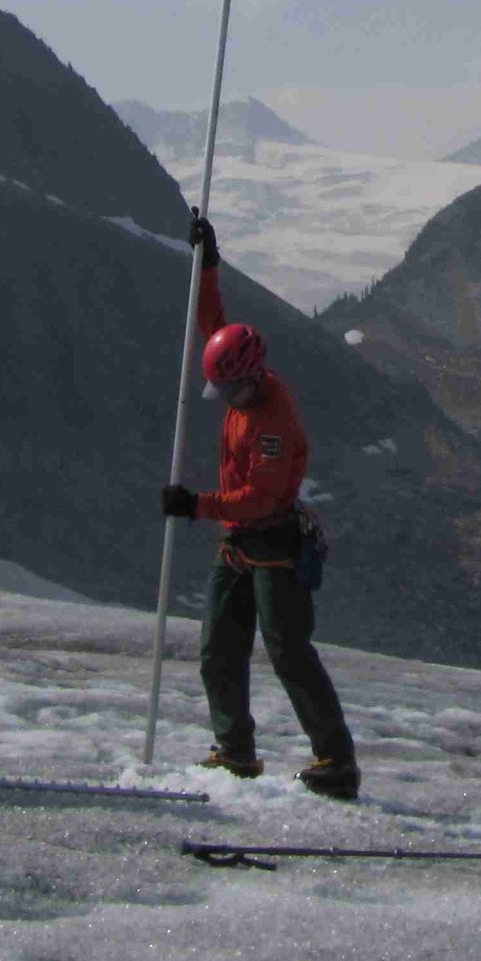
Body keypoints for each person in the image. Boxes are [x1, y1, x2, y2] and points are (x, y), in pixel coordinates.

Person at [160, 210, 358, 800]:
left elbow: (260, 497)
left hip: (273, 541)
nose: (223, 400)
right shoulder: (241, 378)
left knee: (288, 651)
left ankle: (336, 762)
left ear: (250, 380)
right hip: (239, 543)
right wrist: (209, 263)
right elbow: (211, 322)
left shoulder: (274, 422)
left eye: (229, 391)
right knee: (218, 646)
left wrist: (196, 505)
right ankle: (235, 752)